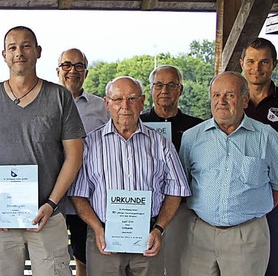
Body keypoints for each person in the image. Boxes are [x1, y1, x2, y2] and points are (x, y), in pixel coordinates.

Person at [0, 26, 84, 276]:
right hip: (1, 220)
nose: (19, 52)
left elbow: (74, 155)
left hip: (48, 217)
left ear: (38, 52)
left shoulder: (60, 97)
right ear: (4, 54)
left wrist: (51, 203)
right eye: (13, 47)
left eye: (26, 46)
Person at [68, 76, 190, 276]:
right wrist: (97, 229)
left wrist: (159, 229)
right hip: (103, 239)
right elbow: (78, 195)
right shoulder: (89, 144)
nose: (125, 106)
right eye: (117, 100)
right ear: (107, 104)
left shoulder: (160, 144)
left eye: (132, 99)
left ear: (142, 103)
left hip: (148, 240)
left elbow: (176, 190)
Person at [179, 71, 278, 276]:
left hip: (247, 235)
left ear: (245, 100)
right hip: (199, 236)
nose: (221, 101)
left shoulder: (266, 137)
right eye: (216, 95)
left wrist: (251, 211)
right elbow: (183, 183)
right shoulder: (191, 138)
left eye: (229, 95)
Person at [239, 37, 278, 276]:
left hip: (275, 202)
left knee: (274, 267)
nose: (257, 68)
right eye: (251, 61)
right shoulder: (231, 101)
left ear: (274, 64)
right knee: (238, 267)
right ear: (242, 63)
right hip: (238, 200)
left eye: (264, 61)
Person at [140, 65, 202, 276]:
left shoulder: (196, 128)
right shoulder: (137, 123)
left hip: (182, 209)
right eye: (159, 85)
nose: (164, 90)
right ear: (151, 90)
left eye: (171, 85)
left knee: (178, 266)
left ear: (180, 90)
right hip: (143, 210)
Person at [56, 47, 109, 276]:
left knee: (83, 257)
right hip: (52, 196)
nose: (73, 71)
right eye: (67, 65)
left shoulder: (101, 107)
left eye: (79, 66)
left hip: (86, 197)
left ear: (86, 73)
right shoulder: (44, 102)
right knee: (53, 259)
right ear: (58, 70)